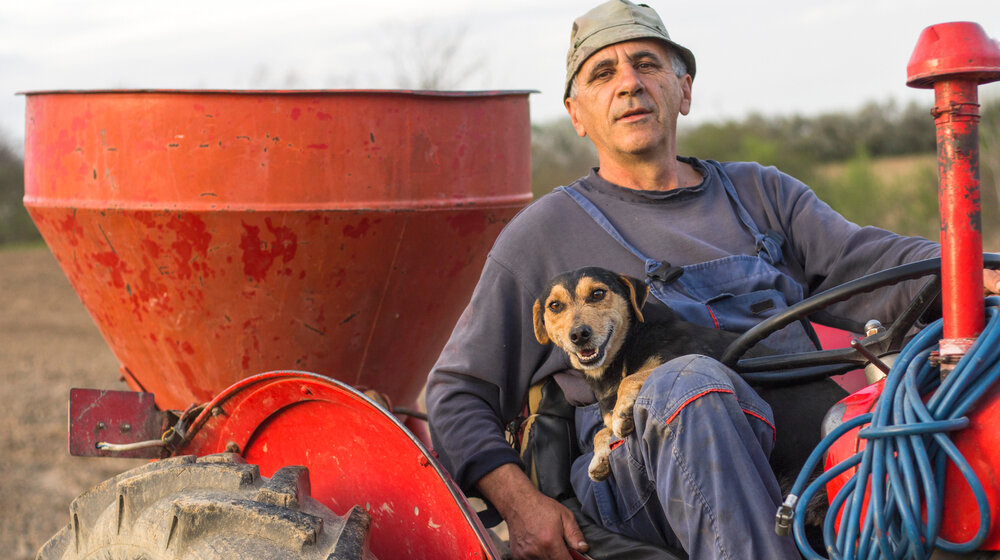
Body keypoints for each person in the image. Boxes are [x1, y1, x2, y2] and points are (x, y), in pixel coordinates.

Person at [426, 1, 1000, 559]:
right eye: (602, 73)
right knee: (689, 384)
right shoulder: (541, 236)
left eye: (647, 64)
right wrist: (521, 504)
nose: (629, 83)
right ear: (577, 114)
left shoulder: (760, 194)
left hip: (793, 442)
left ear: (685, 89)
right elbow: (457, 393)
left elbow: (871, 261)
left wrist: (979, 272)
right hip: (637, 474)